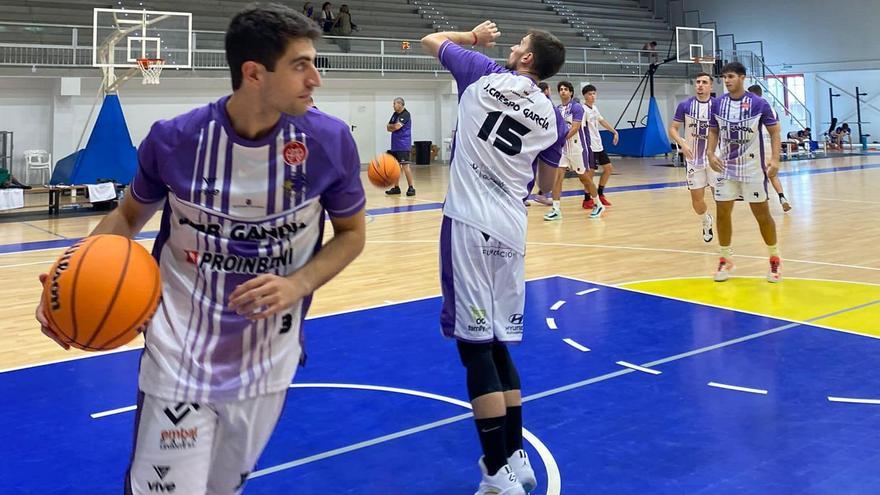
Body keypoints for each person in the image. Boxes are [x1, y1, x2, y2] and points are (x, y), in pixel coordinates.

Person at [35, 5, 367, 494]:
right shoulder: (176, 140)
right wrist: (67, 280)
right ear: (254, 73)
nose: (315, 79)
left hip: (267, 363)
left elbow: (353, 234)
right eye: (300, 65)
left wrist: (297, 284)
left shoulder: (330, 142)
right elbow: (127, 216)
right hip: (178, 355)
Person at [421, 20, 566, 495]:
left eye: (520, 44)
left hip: (467, 221)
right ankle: (516, 457)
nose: (512, 46)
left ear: (527, 59)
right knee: (499, 342)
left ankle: (495, 470)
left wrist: (472, 38)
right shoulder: (553, 115)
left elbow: (430, 41)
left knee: (475, 348)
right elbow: (547, 186)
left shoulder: (482, 72)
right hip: (511, 228)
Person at [707, 62, 782, 282]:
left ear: (742, 77)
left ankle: (774, 259)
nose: (727, 80)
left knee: (762, 215)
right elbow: (713, 130)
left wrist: (775, 159)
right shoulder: (718, 104)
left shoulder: (758, 103)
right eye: (724, 77)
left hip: (752, 169)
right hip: (726, 168)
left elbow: (775, 132)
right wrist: (710, 153)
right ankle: (725, 258)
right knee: (722, 213)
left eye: (731, 76)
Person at [543, 80, 603, 221]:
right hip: (563, 150)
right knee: (557, 178)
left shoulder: (577, 108)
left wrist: (560, 140)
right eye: (561, 89)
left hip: (578, 149)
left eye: (565, 89)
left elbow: (575, 128)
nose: (563, 91)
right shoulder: (558, 109)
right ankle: (556, 209)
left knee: (585, 179)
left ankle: (598, 204)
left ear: (570, 92)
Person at [669, 72, 716, 242]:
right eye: (698, 82)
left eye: (704, 82)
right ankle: (706, 220)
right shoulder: (685, 105)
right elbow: (673, 128)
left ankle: (726, 239)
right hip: (693, 159)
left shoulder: (718, 105)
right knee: (697, 202)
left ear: (711, 86)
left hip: (714, 159)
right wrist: (682, 143)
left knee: (721, 198)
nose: (700, 85)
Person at [747, 84, 792, 212]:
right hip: (770, 144)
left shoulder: (751, 107)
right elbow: (778, 129)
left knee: (758, 175)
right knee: (773, 175)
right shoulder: (772, 109)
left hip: (758, 145)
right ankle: (782, 197)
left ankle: (763, 199)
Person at [581, 84, 618, 207]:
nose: (592, 96)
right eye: (590, 94)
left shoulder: (594, 108)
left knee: (608, 169)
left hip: (598, 145)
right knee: (590, 173)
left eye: (594, 93)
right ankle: (587, 199)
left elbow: (602, 121)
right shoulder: (582, 110)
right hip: (589, 146)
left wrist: (614, 131)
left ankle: (600, 194)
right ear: (585, 96)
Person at [385, 97, 416, 196]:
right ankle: (396, 187)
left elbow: (396, 126)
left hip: (403, 145)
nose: (393, 106)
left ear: (400, 104)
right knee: (396, 167)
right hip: (395, 145)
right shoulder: (395, 114)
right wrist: (392, 127)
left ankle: (411, 187)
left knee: (405, 166)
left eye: (394, 104)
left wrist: (392, 127)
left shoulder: (405, 114)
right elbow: (388, 127)